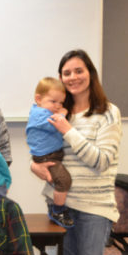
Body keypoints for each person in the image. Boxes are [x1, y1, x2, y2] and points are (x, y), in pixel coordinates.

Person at [30, 49, 121, 255]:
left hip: (95, 207)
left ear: (90, 73)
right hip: (61, 204)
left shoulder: (107, 113)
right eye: (66, 72)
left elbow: (101, 160)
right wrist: (36, 166)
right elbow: (43, 152)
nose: (72, 77)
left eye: (78, 70)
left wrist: (69, 129)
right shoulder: (55, 111)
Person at [26, 77, 73, 228]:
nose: (58, 106)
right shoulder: (39, 114)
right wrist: (63, 114)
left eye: (61, 103)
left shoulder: (42, 111)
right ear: (38, 99)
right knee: (64, 180)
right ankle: (58, 210)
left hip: (51, 153)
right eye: (53, 102)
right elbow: (55, 125)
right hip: (47, 156)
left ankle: (58, 208)